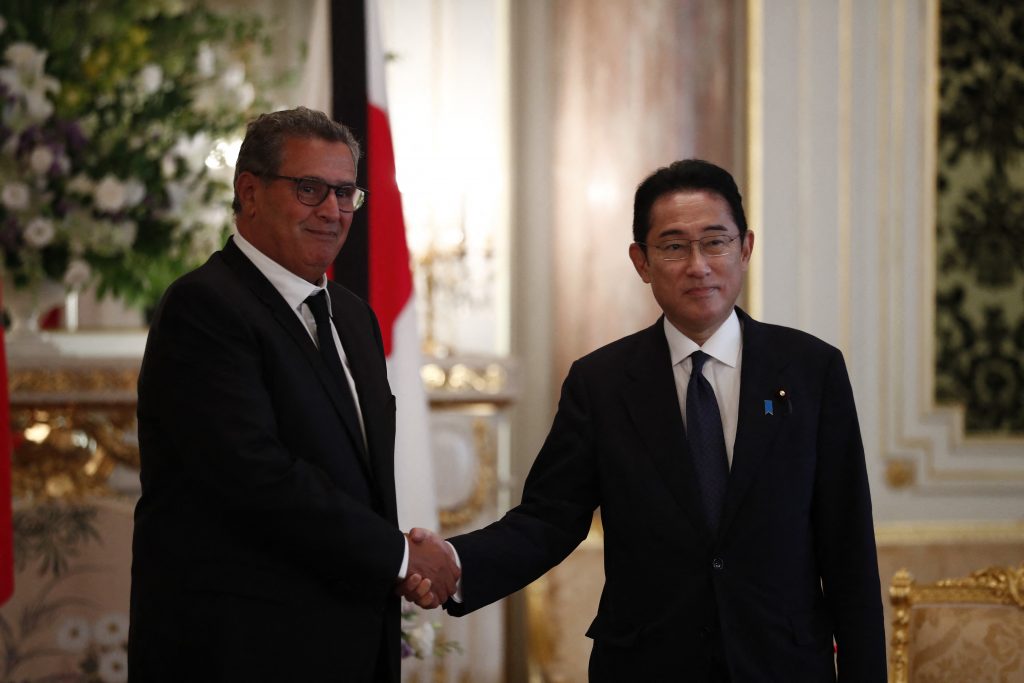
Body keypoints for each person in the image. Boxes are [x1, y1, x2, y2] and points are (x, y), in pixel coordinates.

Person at [409, 159, 886, 680]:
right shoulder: (602, 383)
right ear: (641, 261)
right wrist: (459, 563)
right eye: (674, 246)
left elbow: (849, 551)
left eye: (715, 241)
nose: (698, 265)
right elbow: (548, 519)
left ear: (745, 248)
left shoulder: (811, 370)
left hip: (782, 664)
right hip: (646, 664)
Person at [128, 107, 458, 682]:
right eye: (309, 189)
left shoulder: (355, 318)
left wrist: (394, 556)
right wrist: (400, 555)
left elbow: (359, 482)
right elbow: (255, 476)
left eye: (345, 192)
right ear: (249, 193)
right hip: (238, 651)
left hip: (353, 645)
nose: (332, 211)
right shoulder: (204, 308)